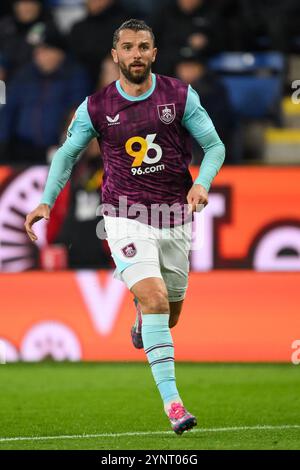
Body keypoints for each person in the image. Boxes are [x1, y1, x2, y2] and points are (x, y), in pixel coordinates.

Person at [24, 19, 225, 434]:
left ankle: (142, 321)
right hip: (124, 215)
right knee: (153, 298)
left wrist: (201, 184)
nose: (136, 54)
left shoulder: (179, 96)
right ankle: (174, 405)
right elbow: (66, 156)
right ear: (115, 55)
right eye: (128, 47)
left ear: (154, 53)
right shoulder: (96, 107)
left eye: (144, 47)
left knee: (168, 314)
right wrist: (46, 200)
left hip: (173, 217)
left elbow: (215, 146)